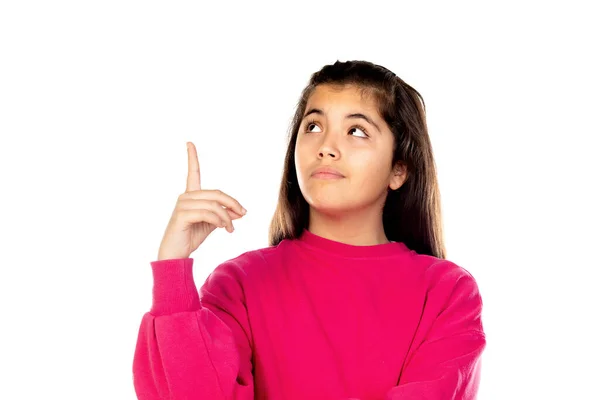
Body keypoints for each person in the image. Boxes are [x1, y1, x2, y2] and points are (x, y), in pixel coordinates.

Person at [132, 60, 487, 400]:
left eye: (356, 131)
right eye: (313, 126)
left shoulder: (447, 293)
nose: (326, 148)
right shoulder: (238, 284)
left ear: (399, 170)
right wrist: (173, 271)